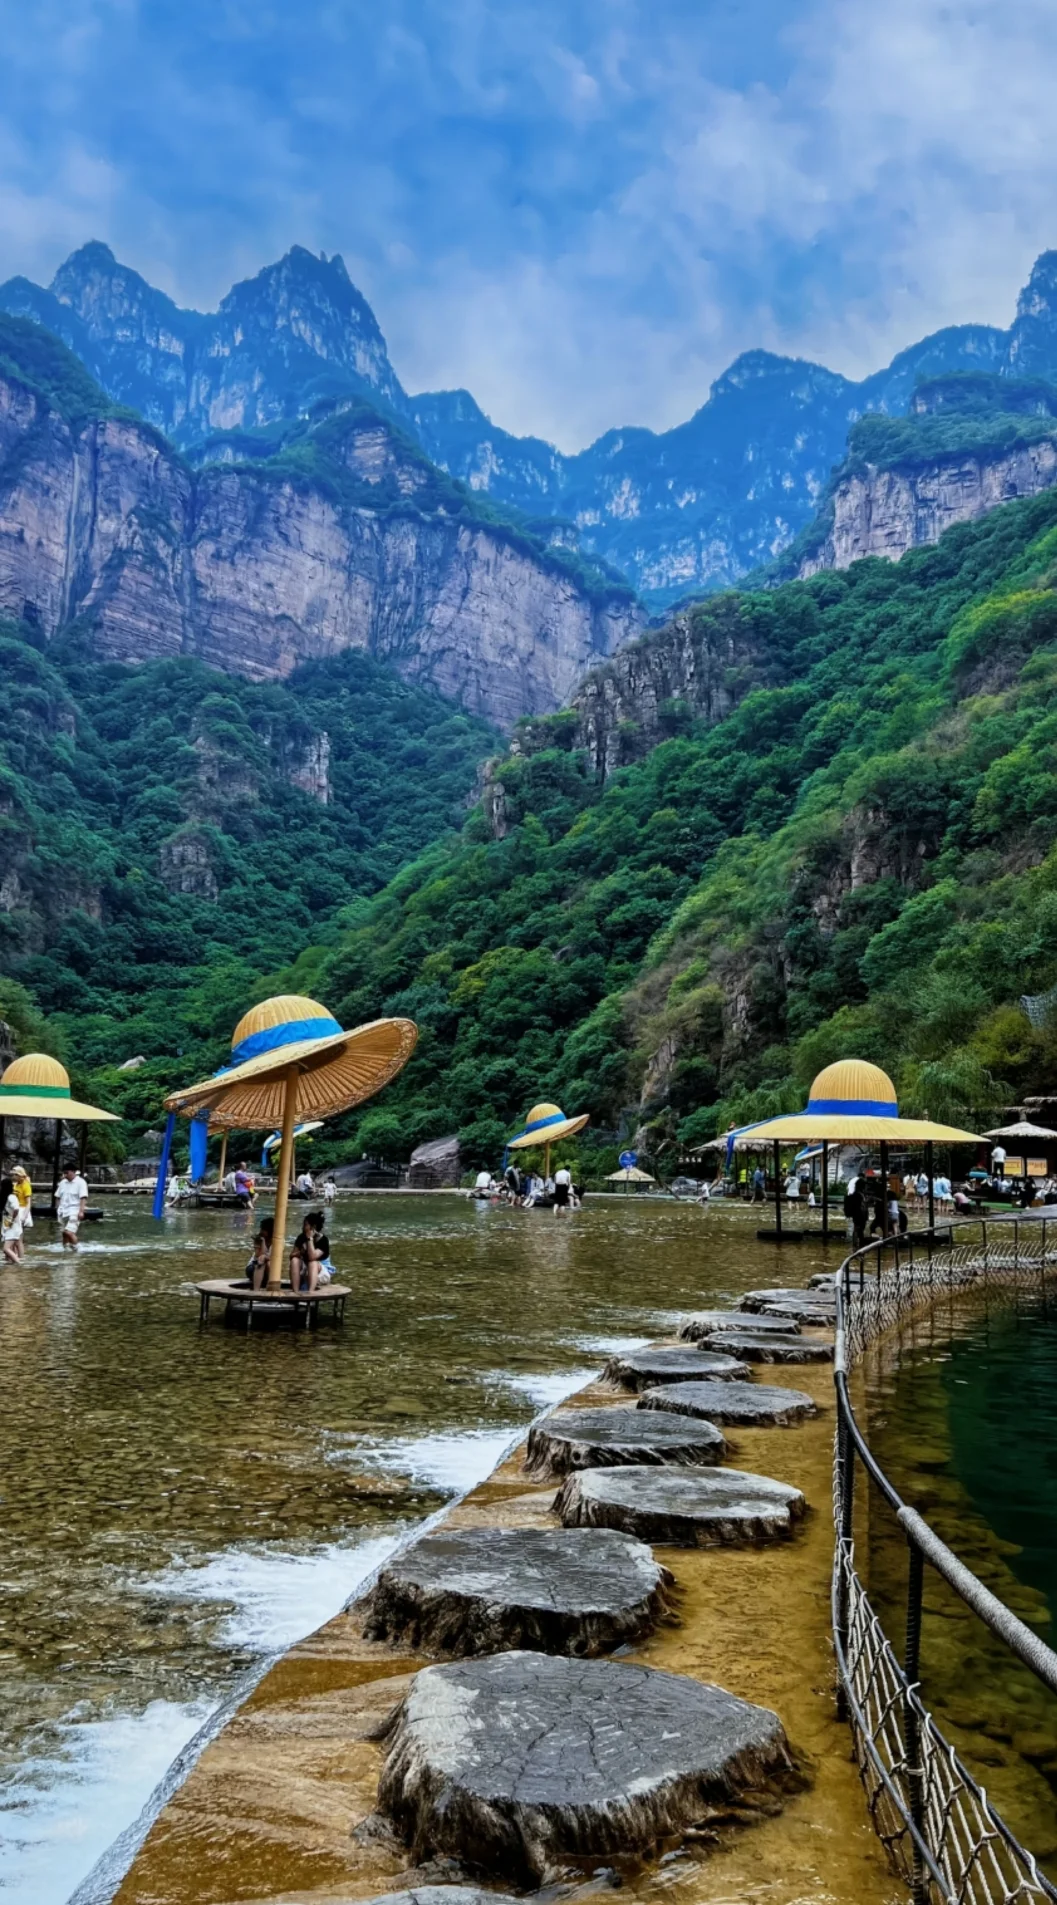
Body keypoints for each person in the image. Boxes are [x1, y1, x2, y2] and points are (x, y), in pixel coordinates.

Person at [55, 1162, 88, 1250]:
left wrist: (81, 1211)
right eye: (64, 1173)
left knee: (69, 1232)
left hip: (74, 1210)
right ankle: (66, 1249)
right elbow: (57, 1196)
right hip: (63, 1210)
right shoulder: (62, 1182)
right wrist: (58, 1208)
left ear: (73, 1172)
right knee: (64, 1233)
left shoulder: (81, 1182)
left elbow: (83, 1197)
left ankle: (78, 1249)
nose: (65, 1175)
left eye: (67, 1172)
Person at [245, 1216, 274, 1290]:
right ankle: (256, 1290)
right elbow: (258, 1255)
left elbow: (274, 1257)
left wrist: (266, 1257)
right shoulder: (258, 1239)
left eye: (263, 1229)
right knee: (262, 1260)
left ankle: (270, 1287)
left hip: (270, 1268)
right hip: (253, 1267)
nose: (261, 1231)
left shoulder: (278, 1241)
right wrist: (263, 1242)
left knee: (268, 1262)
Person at [10, 1166, 31, 1261]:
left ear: (19, 1175)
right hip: (16, 1210)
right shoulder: (16, 1185)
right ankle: (14, 1257)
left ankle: (21, 1259)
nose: (13, 1176)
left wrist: (24, 1215)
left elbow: (28, 1202)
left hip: (22, 1210)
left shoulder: (26, 1185)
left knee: (18, 1239)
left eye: (15, 1175)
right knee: (14, 1238)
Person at [1, 1175, 23, 1264]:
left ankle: (19, 1265)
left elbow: (16, 1209)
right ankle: (10, 1268)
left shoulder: (11, 1197)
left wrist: (12, 1220)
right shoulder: (5, 1198)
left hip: (13, 1227)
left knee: (6, 1249)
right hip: (7, 1226)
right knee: (8, 1253)